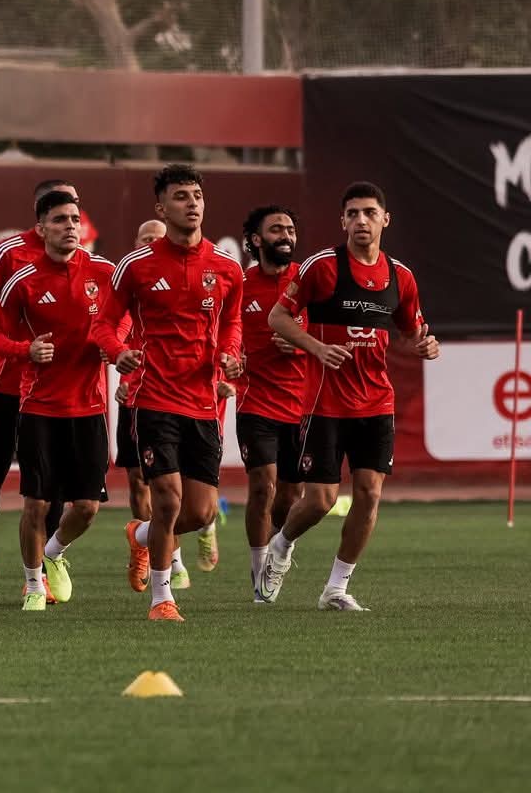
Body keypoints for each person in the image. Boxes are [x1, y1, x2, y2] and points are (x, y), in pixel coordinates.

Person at [259, 182, 438, 611]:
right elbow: (277, 317)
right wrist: (316, 347)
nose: (361, 221)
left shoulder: (401, 277)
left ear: (384, 219)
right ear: (343, 221)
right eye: (353, 213)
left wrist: (424, 346)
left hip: (377, 402)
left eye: (369, 213)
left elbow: (413, 332)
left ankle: (335, 589)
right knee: (320, 500)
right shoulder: (322, 268)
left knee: (370, 494)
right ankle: (280, 546)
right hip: (325, 403)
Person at [102, 165, 244, 624]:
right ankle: (162, 598)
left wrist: (229, 354)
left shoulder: (225, 267)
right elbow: (103, 323)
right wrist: (118, 352)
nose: (193, 203)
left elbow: (234, 322)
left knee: (200, 513)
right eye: (181, 196)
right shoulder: (137, 265)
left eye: (197, 194)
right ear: (162, 208)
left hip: (203, 402)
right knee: (167, 499)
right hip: (153, 398)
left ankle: (140, 535)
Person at [0, 191, 137, 611]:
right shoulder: (24, 279)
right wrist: (25, 351)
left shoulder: (106, 272)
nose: (70, 226)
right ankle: (34, 584)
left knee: (87, 507)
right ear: (41, 229)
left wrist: (115, 341)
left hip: (90, 408)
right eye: (59, 220)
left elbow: (126, 314)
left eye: (75, 219)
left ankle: (54, 553)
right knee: (37, 501)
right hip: (39, 407)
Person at [0, 178, 81, 606]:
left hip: (59, 389)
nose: (70, 219)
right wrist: (21, 316)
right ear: (41, 216)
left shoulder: (81, 261)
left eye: (75, 210)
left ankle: (43, 568)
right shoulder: (10, 253)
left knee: (52, 486)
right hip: (8, 384)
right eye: (59, 211)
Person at [234, 205, 307, 599]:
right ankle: (259, 570)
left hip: (303, 404)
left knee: (291, 497)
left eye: (291, 229)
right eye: (276, 229)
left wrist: (299, 345)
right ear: (257, 240)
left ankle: (280, 545)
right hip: (255, 401)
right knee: (262, 485)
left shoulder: (308, 281)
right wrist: (231, 357)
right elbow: (221, 332)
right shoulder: (241, 284)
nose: (286, 235)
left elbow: (328, 335)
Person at [111, 218, 167, 590]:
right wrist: (121, 370)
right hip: (134, 397)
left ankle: (162, 546)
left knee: (173, 487)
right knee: (137, 479)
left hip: (173, 399)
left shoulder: (177, 289)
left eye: (156, 240)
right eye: (144, 238)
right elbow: (116, 332)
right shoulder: (127, 286)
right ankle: (146, 546)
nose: (149, 244)